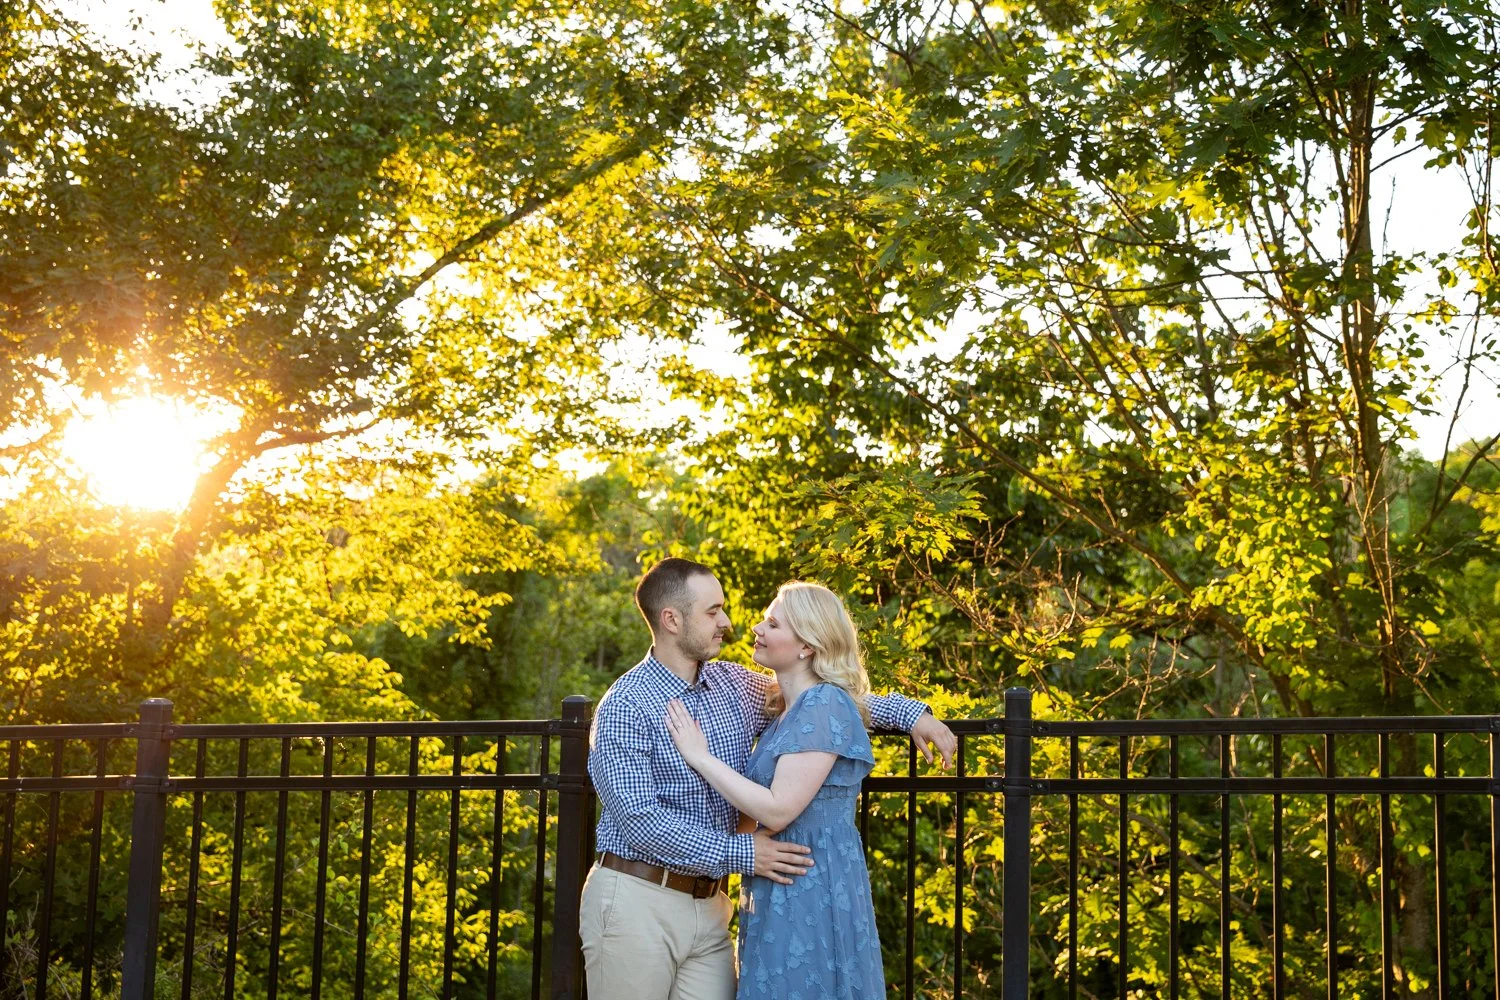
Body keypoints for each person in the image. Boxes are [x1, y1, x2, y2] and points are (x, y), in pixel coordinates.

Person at [581, 558, 955, 1000]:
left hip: (713, 909)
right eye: (713, 611)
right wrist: (743, 853)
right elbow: (640, 821)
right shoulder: (626, 705)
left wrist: (911, 714)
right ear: (671, 620)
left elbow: (819, 698)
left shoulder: (733, 686)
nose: (727, 622)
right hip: (640, 901)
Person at [666, 581, 888, 999]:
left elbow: (779, 809)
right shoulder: (784, 708)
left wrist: (700, 756)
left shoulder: (824, 702)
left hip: (810, 881)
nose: (756, 628)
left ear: (807, 645)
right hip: (778, 877)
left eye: (772, 623)